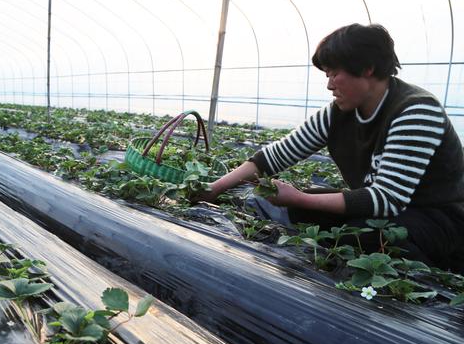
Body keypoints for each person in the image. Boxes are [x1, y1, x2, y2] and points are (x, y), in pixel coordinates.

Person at [199, 23, 464, 271]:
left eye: (335, 73)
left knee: (363, 234)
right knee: (304, 208)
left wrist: (300, 197)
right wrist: (215, 188)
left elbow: (387, 199)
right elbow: (273, 156)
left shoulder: (415, 110)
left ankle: (432, 275)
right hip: (390, 211)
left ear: (367, 68)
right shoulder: (338, 113)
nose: (329, 84)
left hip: (440, 220)